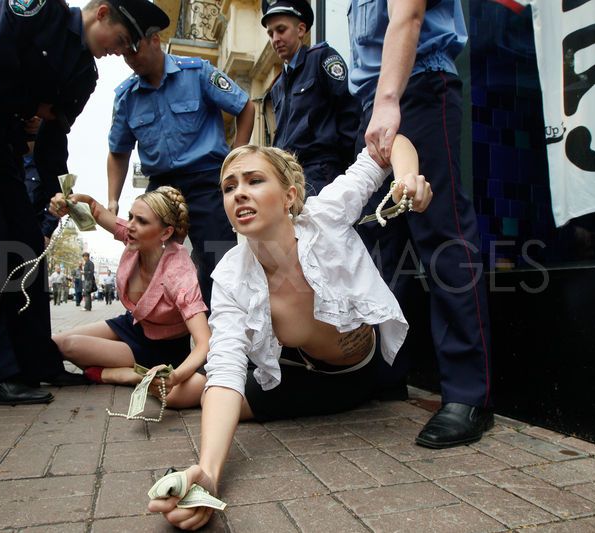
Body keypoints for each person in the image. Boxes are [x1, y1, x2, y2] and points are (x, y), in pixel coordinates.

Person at [149, 136, 432, 529]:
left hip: (350, 378)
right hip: (291, 368)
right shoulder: (231, 275)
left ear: (289, 196)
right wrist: (208, 472)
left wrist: (405, 179)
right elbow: (226, 367)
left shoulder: (325, 213)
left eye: (254, 181)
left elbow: (388, 145)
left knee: (193, 395)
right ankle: (146, 377)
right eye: (229, 187)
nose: (239, 194)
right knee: (178, 395)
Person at [0, 0, 150, 406]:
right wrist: (27, 103)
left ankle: (38, 363)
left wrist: (55, 195)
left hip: (0, 133)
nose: (118, 53)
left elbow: (54, 136)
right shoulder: (41, 9)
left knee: (24, 245)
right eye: (120, 41)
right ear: (101, 12)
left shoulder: (84, 73)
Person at [348, 0, 493, 448]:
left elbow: (407, 17)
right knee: (385, 246)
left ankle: (469, 395)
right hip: (375, 103)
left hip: (417, 87)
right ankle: (389, 374)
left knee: (442, 237)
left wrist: (390, 100)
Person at [106, 7, 255, 304]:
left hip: (205, 181)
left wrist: (234, 164)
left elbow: (245, 107)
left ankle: (224, 334)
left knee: (219, 261)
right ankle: (161, 331)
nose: (130, 60)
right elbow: (118, 152)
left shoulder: (198, 72)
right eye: (124, 54)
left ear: (155, 40)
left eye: (134, 50)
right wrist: (113, 199)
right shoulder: (126, 97)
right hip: (160, 188)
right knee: (147, 262)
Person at [52, 187, 210, 408]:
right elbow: (97, 212)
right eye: (130, 217)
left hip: (160, 347)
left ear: (165, 233)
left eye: (142, 221)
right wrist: (72, 201)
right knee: (54, 343)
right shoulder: (134, 238)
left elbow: (204, 342)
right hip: (133, 324)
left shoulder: (180, 273)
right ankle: (128, 372)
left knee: (69, 345)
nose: (131, 226)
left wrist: (175, 376)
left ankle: (127, 375)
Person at [262, 0, 359, 194]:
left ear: (301, 30)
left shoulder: (322, 58)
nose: (275, 39)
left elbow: (350, 112)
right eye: (271, 33)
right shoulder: (278, 85)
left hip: (322, 173)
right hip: (288, 178)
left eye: (281, 30)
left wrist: (350, 168)